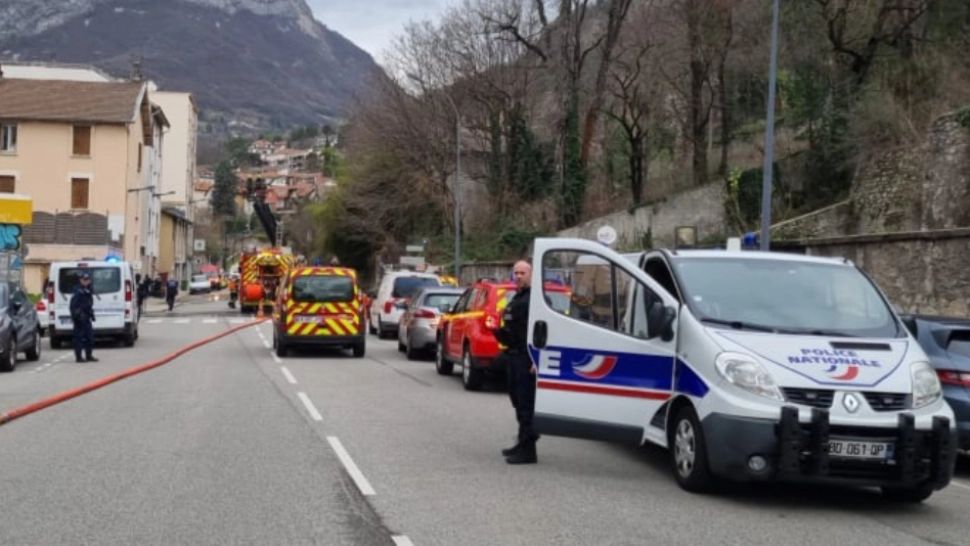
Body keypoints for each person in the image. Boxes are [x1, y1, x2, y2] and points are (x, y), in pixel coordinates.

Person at [493, 260, 538, 465]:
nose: (518, 276)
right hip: (513, 354)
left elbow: (538, 331)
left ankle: (529, 450)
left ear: (531, 274)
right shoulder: (517, 297)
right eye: (516, 273)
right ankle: (522, 442)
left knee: (526, 404)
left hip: (524, 357)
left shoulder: (534, 299)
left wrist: (535, 358)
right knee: (518, 402)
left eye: (523, 273)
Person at [70, 272, 98, 363]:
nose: (86, 281)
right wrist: (78, 316)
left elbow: (88, 304)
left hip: (87, 317)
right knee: (79, 338)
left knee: (90, 337)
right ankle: (78, 357)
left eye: (88, 280)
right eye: (84, 280)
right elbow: (73, 306)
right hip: (80, 318)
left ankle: (88, 355)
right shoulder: (78, 291)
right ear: (81, 280)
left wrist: (91, 314)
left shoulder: (88, 290)